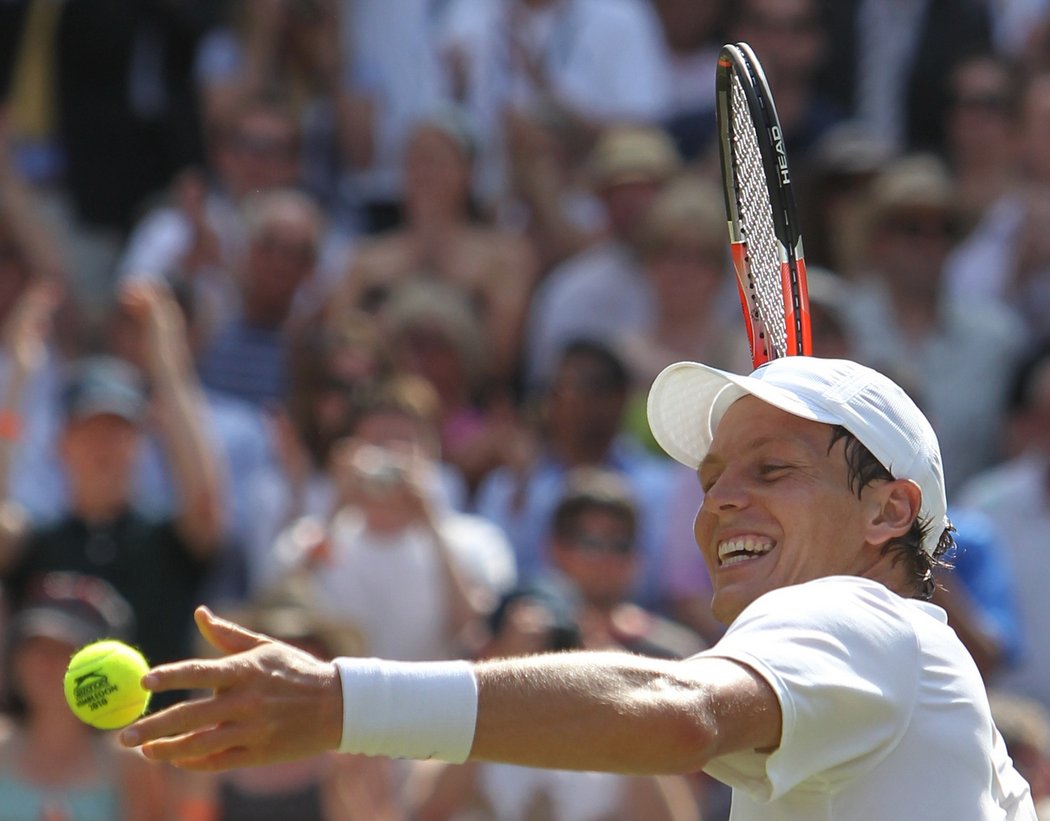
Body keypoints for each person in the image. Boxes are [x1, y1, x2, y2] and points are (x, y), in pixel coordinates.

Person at [119, 355, 1037, 819]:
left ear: (888, 513)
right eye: (715, 477)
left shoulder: (855, 612)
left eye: (771, 469)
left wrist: (343, 700)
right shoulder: (913, 666)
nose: (721, 502)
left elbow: (677, 709)